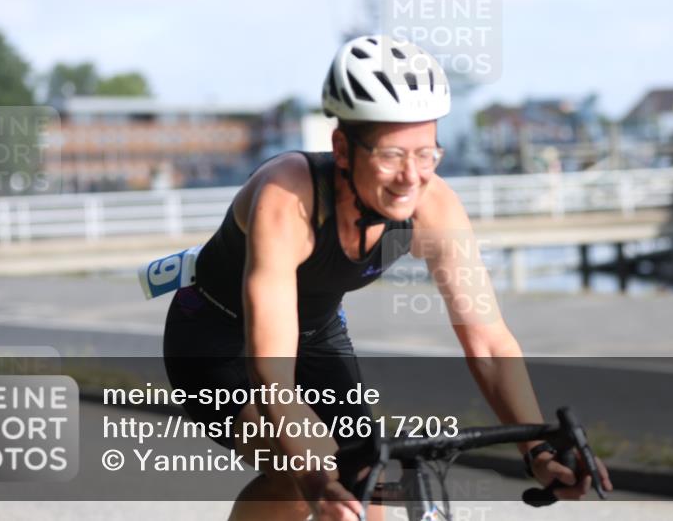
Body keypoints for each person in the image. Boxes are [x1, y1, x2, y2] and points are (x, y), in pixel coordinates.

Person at [162, 35, 612, 521]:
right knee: (298, 478)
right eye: (391, 155)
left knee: (368, 493)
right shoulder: (288, 196)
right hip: (217, 337)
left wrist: (538, 448)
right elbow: (271, 373)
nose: (410, 177)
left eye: (426, 154)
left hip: (317, 333)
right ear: (341, 147)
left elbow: (487, 341)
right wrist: (317, 478)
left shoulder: (432, 205)